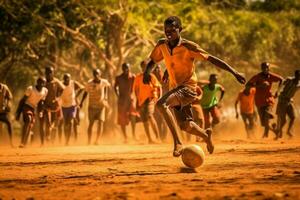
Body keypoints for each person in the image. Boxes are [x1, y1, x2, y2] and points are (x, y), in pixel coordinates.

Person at [143, 16, 246, 156]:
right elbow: (153, 61)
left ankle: (178, 143)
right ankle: (205, 135)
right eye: (166, 30)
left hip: (188, 88)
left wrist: (234, 72)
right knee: (185, 125)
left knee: (161, 104)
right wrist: (147, 73)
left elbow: (212, 59)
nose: (169, 33)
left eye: (172, 30)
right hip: (176, 89)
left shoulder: (188, 46)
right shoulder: (162, 44)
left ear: (180, 29)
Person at [248, 62, 283, 138]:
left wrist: (278, 91)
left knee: (267, 115)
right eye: (264, 68)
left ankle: (267, 132)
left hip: (269, 100)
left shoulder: (271, 76)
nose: (265, 69)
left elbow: (281, 80)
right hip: (259, 101)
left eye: (267, 67)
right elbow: (248, 84)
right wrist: (260, 85)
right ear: (261, 68)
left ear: (269, 68)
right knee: (264, 124)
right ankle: (275, 130)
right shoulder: (257, 76)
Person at [80, 69, 111, 145]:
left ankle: (97, 140)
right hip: (92, 106)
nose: (96, 75)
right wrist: (81, 102)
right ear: (93, 75)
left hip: (101, 106)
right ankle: (89, 141)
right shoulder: (89, 83)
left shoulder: (104, 82)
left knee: (101, 122)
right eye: (95, 74)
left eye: (97, 74)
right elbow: (85, 93)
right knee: (91, 123)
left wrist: (105, 97)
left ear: (100, 74)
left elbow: (106, 87)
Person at [133, 61, 161, 144]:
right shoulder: (138, 77)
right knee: (144, 120)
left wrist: (158, 98)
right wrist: (137, 101)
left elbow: (158, 87)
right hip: (141, 101)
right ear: (141, 68)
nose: (144, 68)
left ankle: (157, 137)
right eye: (143, 67)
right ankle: (150, 139)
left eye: (145, 66)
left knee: (149, 116)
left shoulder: (151, 76)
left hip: (150, 99)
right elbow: (136, 90)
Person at [16, 77, 48, 147]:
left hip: (33, 108)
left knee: (30, 125)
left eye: (43, 83)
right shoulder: (30, 89)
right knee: (28, 119)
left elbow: (41, 102)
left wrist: (41, 111)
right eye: (40, 82)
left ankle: (24, 143)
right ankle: (22, 142)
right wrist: (18, 113)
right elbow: (22, 100)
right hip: (26, 106)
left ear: (45, 84)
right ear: (37, 82)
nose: (41, 84)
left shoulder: (45, 91)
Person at [41, 66, 65, 144]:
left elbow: (62, 88)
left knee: (54, 122)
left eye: (50, 72)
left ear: (52, 73)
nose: (49, 74)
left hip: (55, 105)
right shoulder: (43, 82)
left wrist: (57, 97)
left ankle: (53, 140)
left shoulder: (56, 81)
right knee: (48, 121)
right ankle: (47, 136)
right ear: (45, 73)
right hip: (46, 105)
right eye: (47, 73)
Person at [114, 63, 137, 142]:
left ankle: (133, 135)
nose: (126, 69)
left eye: (127, 68)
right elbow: (115, 87)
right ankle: (125, 137)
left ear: (129, 68)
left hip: (131, 99)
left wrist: (134, 96)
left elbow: (136, 87)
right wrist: (118, 95)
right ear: (122, 69)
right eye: (124, 68)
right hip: (121, 100)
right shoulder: (118, 78)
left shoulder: (133, 77)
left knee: (133, 116)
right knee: (122, 119)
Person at [275, 70, 300, 139]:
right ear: (295, 75)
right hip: (282, 100)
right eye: (297, 76)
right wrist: (277, 91)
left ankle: (288, 131)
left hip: (289, 101)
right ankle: (279, 131)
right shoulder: (289, 80)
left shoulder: (299, 84)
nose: (298, 77)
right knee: (283, 119)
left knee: (293, 117)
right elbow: (282, 83)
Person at [61, 73, 84, 145]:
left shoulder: (73, 83)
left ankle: (67, 141)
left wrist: (76, 96)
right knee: (65, 123)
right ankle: (66, 138)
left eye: (68, 78)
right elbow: (57, 93)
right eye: (65, 79)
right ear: (63, 79)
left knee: (70, 122)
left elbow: (82, 88)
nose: (67, 80)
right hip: (64, 106)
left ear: (70, 78)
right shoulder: (60, 85)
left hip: (72, 106)